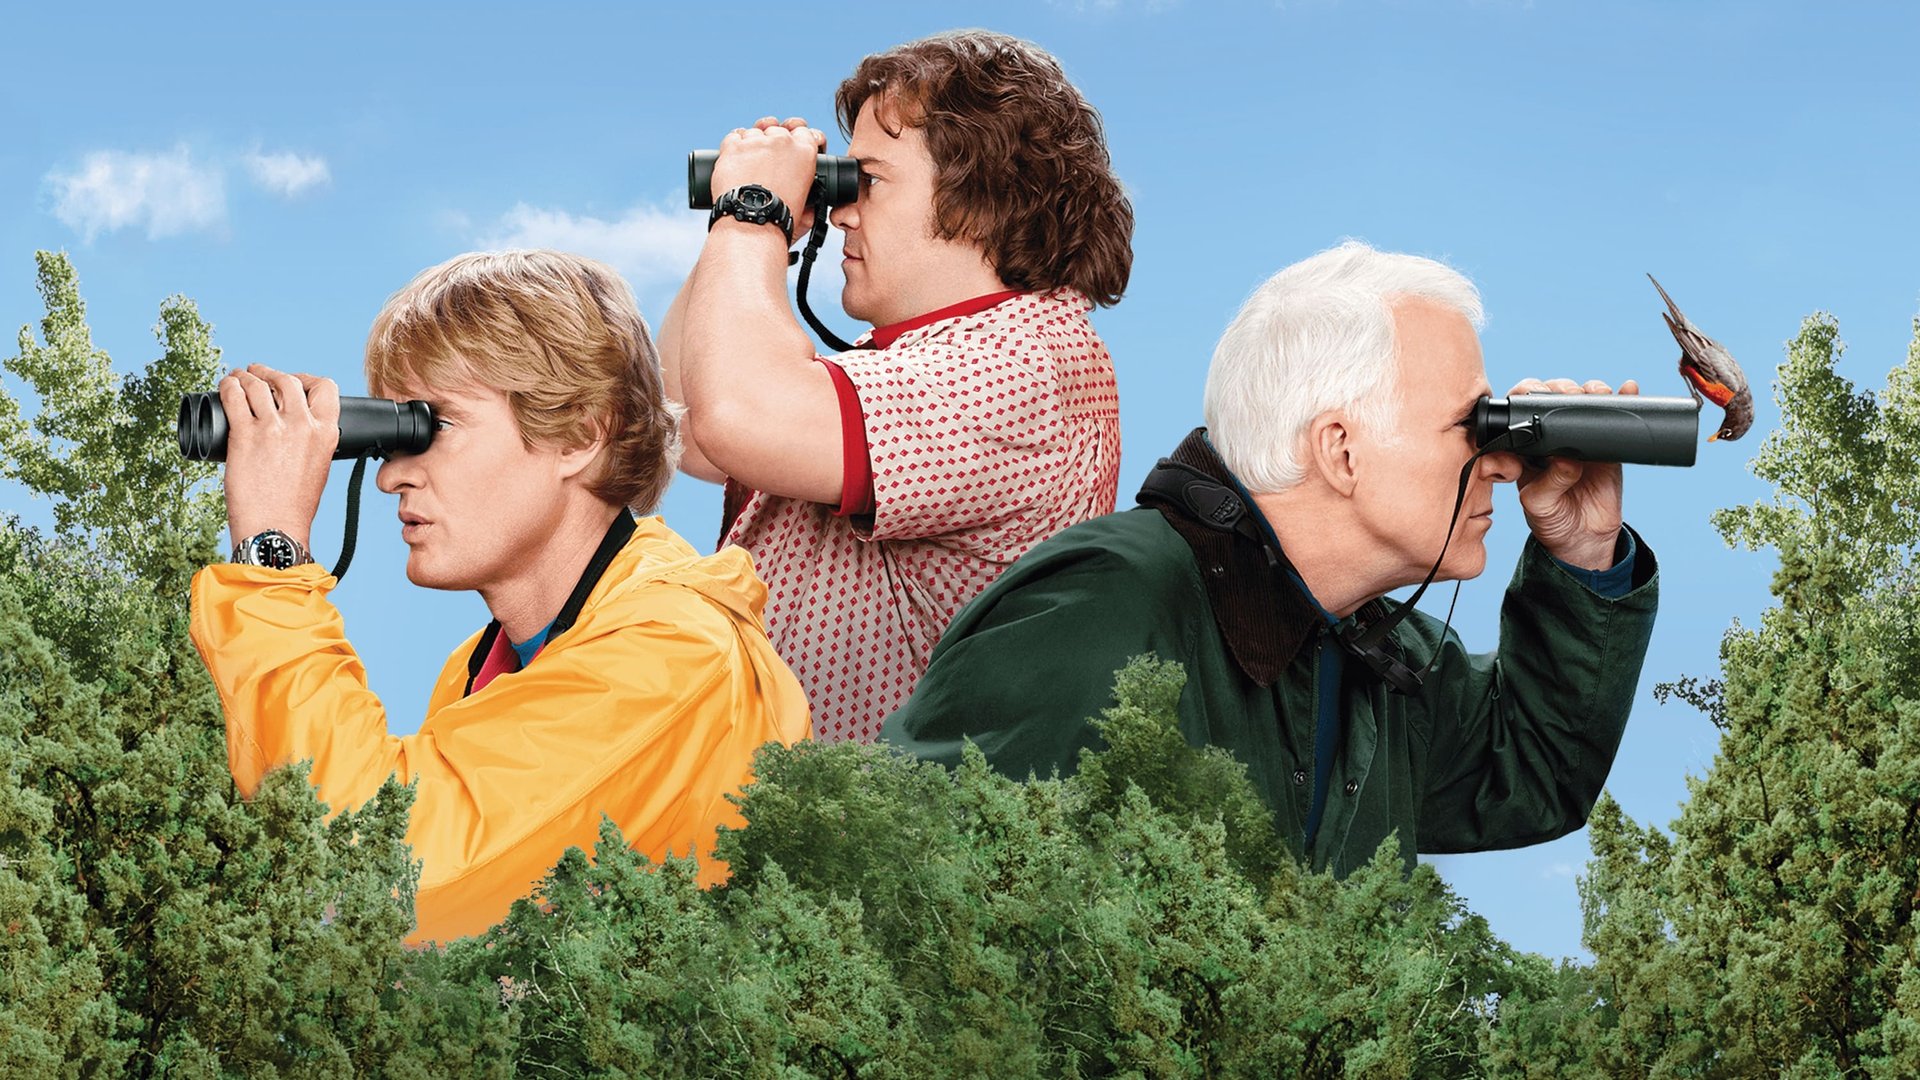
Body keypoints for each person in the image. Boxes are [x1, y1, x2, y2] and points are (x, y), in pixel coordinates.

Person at [882, 241, 1660, 874]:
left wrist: (1584, 553)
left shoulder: (1368, 649)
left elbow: (1527, 771)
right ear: (1341, 450)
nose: (1500, 462)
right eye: (1472, 425)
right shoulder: (1107, 609)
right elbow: (909, 894)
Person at [188, 250, 810, 942]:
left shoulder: (675, 653)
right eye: (395, 429)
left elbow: (384, 872)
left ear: (577, 434)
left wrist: (273, 555)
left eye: (436, 424)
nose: (393, 474)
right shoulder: (486, 668)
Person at [659, 29, 1135, 743]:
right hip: (796, 822)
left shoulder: (1026, 365)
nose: (844, 207)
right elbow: (686, 420)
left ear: (981, 195)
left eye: (868, 180)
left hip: (885, 836)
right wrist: (758, 225)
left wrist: (752, 211)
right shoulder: (912, 356)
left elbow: (737, 418)